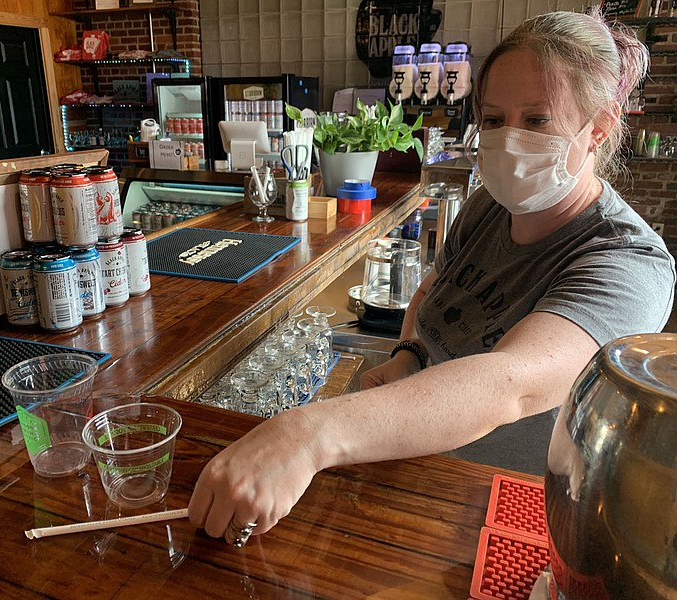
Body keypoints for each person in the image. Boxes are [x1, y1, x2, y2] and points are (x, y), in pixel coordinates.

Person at [188, 9, 676, 548]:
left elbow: (507, 384)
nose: (509, 139)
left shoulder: (627, 263)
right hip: (405, 461)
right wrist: (409, 358)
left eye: (536, 120)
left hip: (494, 509)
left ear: (598, 130)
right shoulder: (489, 206)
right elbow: (431, 290)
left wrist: (308, 434)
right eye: (493, 119)